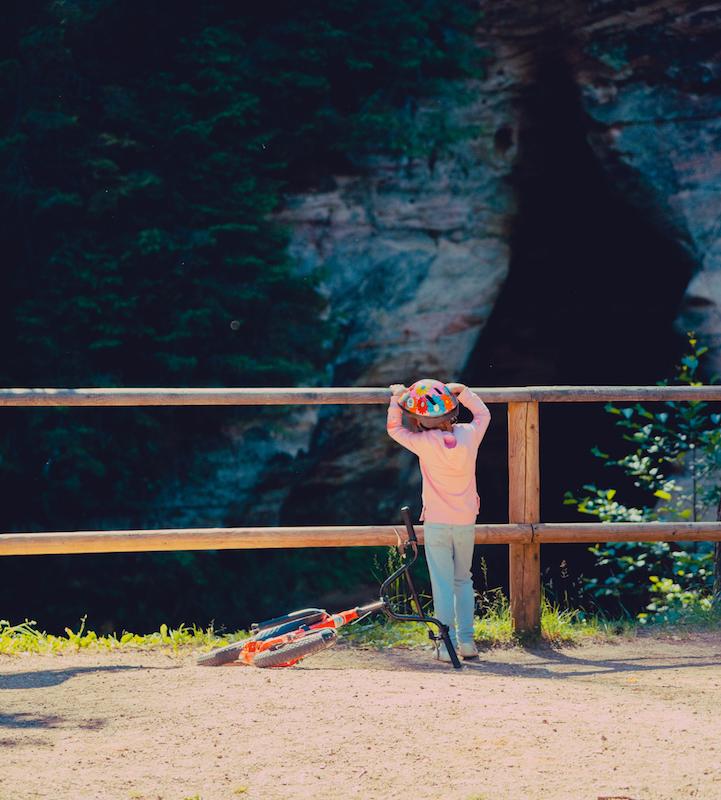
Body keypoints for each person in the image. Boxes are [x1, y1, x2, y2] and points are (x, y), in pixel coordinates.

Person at [387, 379, 491, 661]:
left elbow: (394, 428)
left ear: (419, 422)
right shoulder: (470, 434)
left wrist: (397, 398)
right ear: (453, 411)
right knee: (463, 580)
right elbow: (484, 414)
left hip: (436, 522)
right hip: (466, 519)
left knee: (442, 584)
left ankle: (445, 645)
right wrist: (465, 392)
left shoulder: (422, 442)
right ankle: (467, 642)